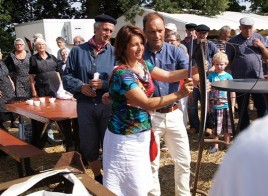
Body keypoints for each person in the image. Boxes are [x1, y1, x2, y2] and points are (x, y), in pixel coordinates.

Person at [102, 24, 195, 196]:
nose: (140, 48)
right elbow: (146, 103)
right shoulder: (122, 74)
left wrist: (195, 70)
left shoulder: (142, 64)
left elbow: (168, 75)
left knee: (140, 182)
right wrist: (180, 93)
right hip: (124, 139)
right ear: (123, 47)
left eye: (141, 43)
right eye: (134, 44)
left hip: (141, 133)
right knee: (127, 184)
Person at [142, 12, 197, 196]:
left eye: (160, 31)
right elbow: (169, 75)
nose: (157, 35)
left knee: (183, 160)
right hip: (150, 115)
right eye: (152, 31)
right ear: (144, 32)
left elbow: (190, 73)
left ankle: (183, 194)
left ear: (164, 30)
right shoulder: (139, 54)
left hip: (174, 113)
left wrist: (201, 80)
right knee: (151, 162)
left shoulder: (176, 51)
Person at [63, 14, 117, 184]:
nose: (108, 33)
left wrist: (105, 85)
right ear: (96, 29)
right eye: (105, 29)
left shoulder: (115, 53)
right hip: (85, 105)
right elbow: (66, 77)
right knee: (88, 144)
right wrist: (81, 87)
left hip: (107, 105)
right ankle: (98, 177)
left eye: (110, 31)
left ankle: (110, 178)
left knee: (109, 143)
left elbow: (121, 79)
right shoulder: (78, 51)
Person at [29, 38, 74, 150]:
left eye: (42, 44)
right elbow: (31, 76)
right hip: (42, 88)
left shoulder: (52, 57)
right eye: (38, 45)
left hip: (55, 87)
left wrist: (61, 86)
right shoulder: (33, 59)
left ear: (45, 45)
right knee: (44, 114)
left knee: (61, 113)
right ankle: (42, 140)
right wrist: (33, 90)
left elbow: (58, 72)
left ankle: (68, 139)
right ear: (35, 47)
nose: (40, 46)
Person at [226, 17, 268, 131]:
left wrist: (261, 46)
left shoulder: (259, 37)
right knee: (242, 107)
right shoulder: (233, 41)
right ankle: (244, 131)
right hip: (240, 80)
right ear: (240, 27)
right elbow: (228, 61)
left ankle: (263, 129)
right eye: (245, 28)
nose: (248, 30)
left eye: (250, 28)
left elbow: (267, 56)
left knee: (262, 105)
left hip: (257, 78)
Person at [188, 24, 219, 134]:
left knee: (207, 104)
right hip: (193, 78)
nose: (202, 35)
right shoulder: (190, 44)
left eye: (204, 33)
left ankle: (208, 125)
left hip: (207, 78)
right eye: (200, 33)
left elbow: (219, 58)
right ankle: (194, 126)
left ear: (207, 34)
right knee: (192, 104)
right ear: (196, 33)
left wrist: (213, 67)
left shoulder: (211, 45)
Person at [207, 52, 235, 153]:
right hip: (215, 106)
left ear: (226, 64)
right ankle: (216, 145)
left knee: (227, 127)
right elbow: (207, 91)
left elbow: (232, 92)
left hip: (226, 105)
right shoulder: (211, 76)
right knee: (216, 127)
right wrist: (207, 105)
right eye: (217, 64)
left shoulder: (229, 77)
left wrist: (232, 105)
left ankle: (227, 144)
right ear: (214, 64)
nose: (219, 66)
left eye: (221, 64)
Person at [5, 38, 31, 128]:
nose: (19, 46)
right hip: (18, 80)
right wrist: (9, 77)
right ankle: (17, 121)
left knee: (29, 100)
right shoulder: (11, 55)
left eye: (20, 44)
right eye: (17, 45)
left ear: (23, 45)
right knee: (19, 101)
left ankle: (30, 120)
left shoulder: (29, 54)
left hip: (29, 80)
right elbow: (5, 67)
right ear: (15, 46)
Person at [0, 49, 15, 132]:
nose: (1, 54)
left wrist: (11, 82)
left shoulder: (2, 63)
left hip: (8, 88)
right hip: (1, 90)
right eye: (0, 52)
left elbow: (7, 74)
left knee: (10, 106)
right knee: (2, 108)